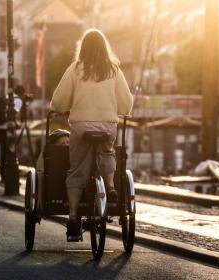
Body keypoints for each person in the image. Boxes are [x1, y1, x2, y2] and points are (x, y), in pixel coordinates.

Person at [50, 29, 134, 240]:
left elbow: (59, 102)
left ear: (83, 47)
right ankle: (111, 186)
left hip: (81, 127)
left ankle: (72, 217)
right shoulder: (114, 70)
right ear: (105, 47)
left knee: (77, 170)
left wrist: (62, 106)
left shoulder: (76, 69)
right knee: (107, 153)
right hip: (107, 126)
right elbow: (126, 104)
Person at [0, 87, 23, 186]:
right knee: (10, 153)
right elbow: (13, 116)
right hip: (7, 130)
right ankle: (7, 178)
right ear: (21, 94)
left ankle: (4, 177)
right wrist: (18, 124)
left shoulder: (2, 98)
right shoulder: (18, 100)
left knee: (4, 153)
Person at [36, 129, 70, 212]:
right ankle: (39, 203)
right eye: (62, 143)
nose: (66, 145)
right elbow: (39, 168)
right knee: (40, 174)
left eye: (68, 143)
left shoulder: (74, 152)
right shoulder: (48, 152)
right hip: (54, 179)